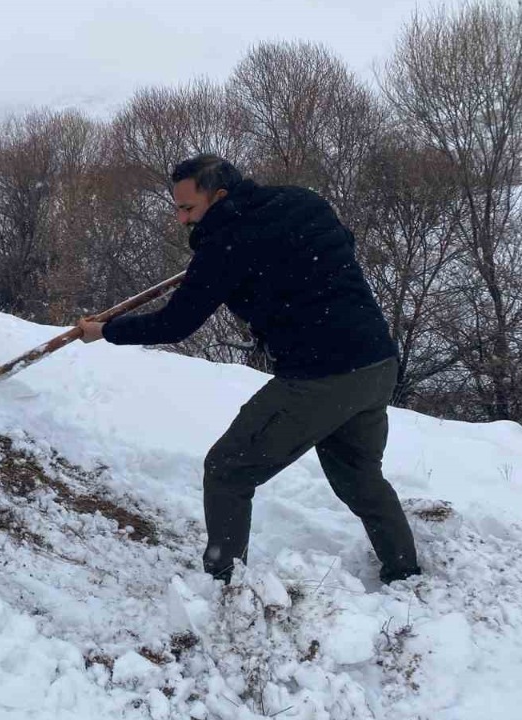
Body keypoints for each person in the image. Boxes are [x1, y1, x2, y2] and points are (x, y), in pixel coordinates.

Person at [78, 154, 421, 585]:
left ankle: (225, 583)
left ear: (219, 197)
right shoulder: (302, 201)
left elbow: (175, 324)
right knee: (359, 477)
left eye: (188, 209)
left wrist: (105, 331)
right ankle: (404, 570)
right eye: (178, 208)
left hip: (320, 377)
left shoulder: (225, 243)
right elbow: (342, 243)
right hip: (376, 363)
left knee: (228, 470)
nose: (182, 220)